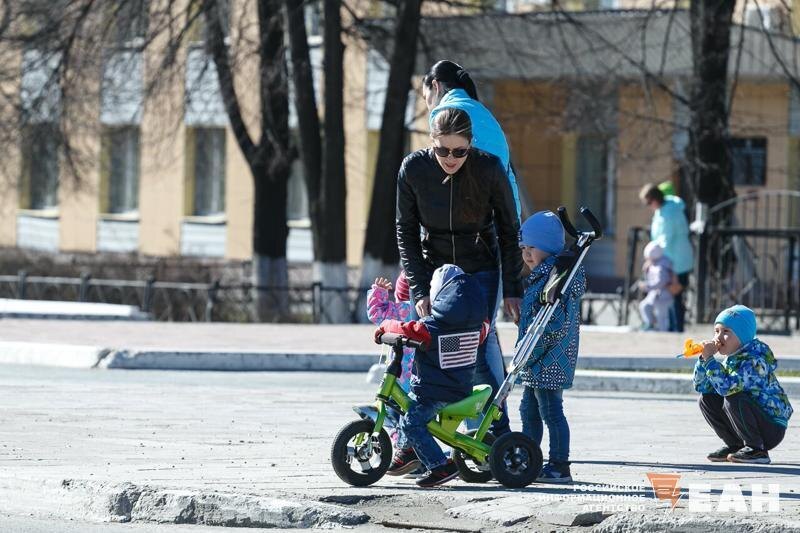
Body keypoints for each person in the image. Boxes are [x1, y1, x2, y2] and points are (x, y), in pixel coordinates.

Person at [396, 107, 523, 437]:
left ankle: (495, 434)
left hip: (479, 269)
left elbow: (509, 230)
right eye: (442, 150)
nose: (450, 159)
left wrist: (513, 288)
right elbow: (405, 231)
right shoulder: (413, 169)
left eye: (459, 151)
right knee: (428, 351)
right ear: (431, 141)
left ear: (471, 144)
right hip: (433, 272)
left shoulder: (489, 168)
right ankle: (419, 438)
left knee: (476, 351)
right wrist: (419, 289)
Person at [422, 61, 521, 434]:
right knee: (480, 331)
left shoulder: (447, 115)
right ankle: (485, 424)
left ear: (435, 86)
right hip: (495, 233)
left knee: (473, 332)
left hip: (474, 238)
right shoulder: (483, 115)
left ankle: (491, 426)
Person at [374, 265, 490, 487]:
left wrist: (384, 326)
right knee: (408, 407)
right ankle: (409, 450)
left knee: (412, 422)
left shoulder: (432, 327)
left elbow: (405, 329)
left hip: (435, 393)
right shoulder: (476, 327)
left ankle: (440, 465)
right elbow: (484, 327)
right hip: (456, 388)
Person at [516, 211, 586, 483]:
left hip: (548, 358)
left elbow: (552, 324)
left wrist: (529, 353)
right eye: (523, 248)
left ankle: (559, 465)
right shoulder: (544, 276)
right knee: (528, 410)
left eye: (532, 247)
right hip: (537, 359)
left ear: (549, 247)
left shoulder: (558, 281)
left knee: (551, 412)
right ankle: (528, 458)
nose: (526, 254)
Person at [694, 305, 793, 464]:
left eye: (726, 332)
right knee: (706, 399)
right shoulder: (731, 359)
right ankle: (735, 445)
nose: (718, 337)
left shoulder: (754, 361)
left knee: (733, 397)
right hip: (753, 420)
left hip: (771, 427)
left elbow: (727, 388)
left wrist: (710, 361)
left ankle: (757, 449)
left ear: (743, 336)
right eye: (716, 331)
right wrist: (703, 361)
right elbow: (702, 386)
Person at [422, 60, 521, 218]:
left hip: (469, 216)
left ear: (436, 86)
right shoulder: (486, 114)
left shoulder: (446, 115)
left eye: (425, 97)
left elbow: (440, 175)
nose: (428, 105)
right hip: (504, 214)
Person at [639, 183, 693, 332]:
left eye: (649, 203)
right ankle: (672, 328)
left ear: (655, 199)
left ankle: (675, 329)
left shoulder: (668, 214)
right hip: (674, 260)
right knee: (672, 296)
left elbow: (665, 240)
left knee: (674, 295)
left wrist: (652, 258)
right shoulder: (665, 210)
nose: (649, 206)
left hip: (676, 262)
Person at [366, 271, 414, 392]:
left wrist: (379, 291)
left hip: (400, 368)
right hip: (425, 369)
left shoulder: (399, 310)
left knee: (398, 397)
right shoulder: (430, 308)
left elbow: (376, 314)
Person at [638, 241, 674, 332]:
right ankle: (650, 324)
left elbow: (661, 282)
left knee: (662, 317)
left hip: (663, 295)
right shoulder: (654, 263)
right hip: (655, 294)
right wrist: (646, 271)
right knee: (645, 306)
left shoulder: (662, 265)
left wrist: (647, 286)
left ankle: (663, 332)